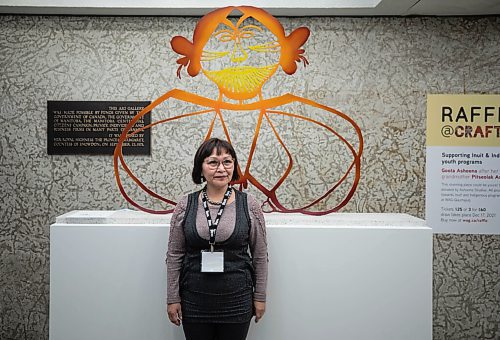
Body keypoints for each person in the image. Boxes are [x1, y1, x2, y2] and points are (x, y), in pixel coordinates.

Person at [166, 137, 268, 340]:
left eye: (227, 161)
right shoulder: (186, 205)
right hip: (194, 300)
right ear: (201, 168)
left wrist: (260, 296)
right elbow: (174, 254)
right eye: (213, 162)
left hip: (237, 300)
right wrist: (172, 298)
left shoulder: (249, 204)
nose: (221, 168)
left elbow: (260, 255)